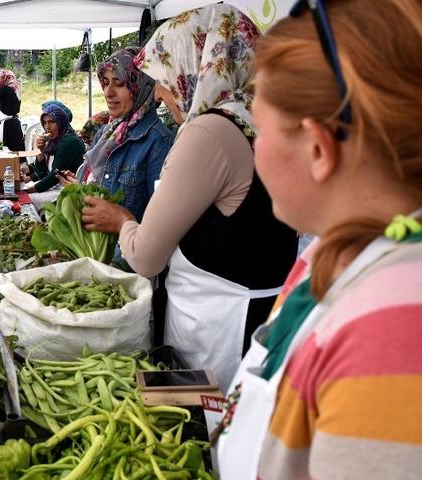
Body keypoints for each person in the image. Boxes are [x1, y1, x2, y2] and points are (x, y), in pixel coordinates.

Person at [217, 1, 422, 478]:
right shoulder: (335, 254)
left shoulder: (393, 331)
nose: (255, 149)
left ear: (317, 148)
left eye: (260, 130)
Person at [81, 6, 298, 392]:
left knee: (204, 424)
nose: (159, 93)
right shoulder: (259, 118)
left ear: (195, 65)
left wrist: (123, 221)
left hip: (216, 332)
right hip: (257, 315)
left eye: (164, 77)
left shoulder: (210, 132)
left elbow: (146, 257)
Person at [61, 47, 174, 225]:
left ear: (140, 87)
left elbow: (162, 224)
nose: (108, 92)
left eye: (119, 83)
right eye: (105, 83)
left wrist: (121, 221)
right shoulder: (105, 134)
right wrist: (79, 188)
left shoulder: (159, 143)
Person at [23, 103, 85, 209]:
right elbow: (42, 173)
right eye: (44, 123)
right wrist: (40, 151)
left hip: (67, 191)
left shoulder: (69, 142)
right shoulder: (52, 142)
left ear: (60, 122)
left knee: (26, 200)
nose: (47, 127)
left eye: (51, 122)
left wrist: (28, 191)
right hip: (54, 187)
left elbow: (54, 176)